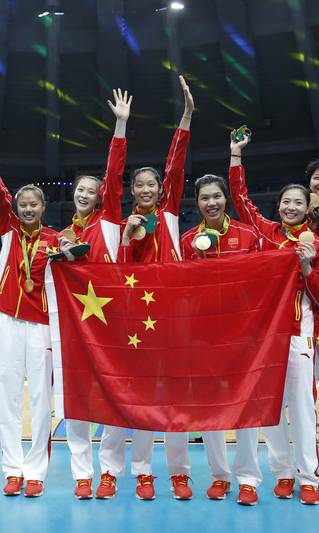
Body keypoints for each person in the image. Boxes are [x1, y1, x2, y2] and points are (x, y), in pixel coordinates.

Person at [228, 132, 319, 505]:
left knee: (302, 408)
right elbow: (240, 199)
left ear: (307, 208)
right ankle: (283, 473)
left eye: (298, 202)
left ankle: (308, 476)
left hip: (301, 333)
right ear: (279, 205)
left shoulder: (318, 245)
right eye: (286, 202)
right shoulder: (267, 234)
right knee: (269, 406)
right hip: (266, 336)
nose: (290, 207)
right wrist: (236, 156)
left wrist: (307, 266)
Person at [0, 118, 59, 498]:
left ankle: (35, 471)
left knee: (40, 399)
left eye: (34, 204)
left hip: (41, 326)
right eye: (22, 204)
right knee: (7, 397)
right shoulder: (8, 231)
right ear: (15, 208)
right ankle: (13, 470)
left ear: (43, 207)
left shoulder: (56, 240)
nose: (27, 208)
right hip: (7, 323)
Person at [118, 75, 193, 501]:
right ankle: (143, 472)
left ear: (161, 189)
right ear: (132, 190)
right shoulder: (125, 225)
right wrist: (127, 237)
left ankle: (179, 472)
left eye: (153, 184)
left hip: (173, 313)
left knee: (176, 393)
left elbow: (176, 163)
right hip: (139, 318)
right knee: (144, 394)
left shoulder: (169, 215)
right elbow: (119, 273)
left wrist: (186, 117)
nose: (146, 189)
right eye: (140, 185)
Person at [57, 89, 129, 500]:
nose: (85, 194)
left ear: (101, 196)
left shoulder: (110, 220)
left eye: (91, 190)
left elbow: (115, 172)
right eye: (80, 190)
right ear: (73, 194)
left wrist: (120, 124)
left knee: (113, 394)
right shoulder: (62, 235)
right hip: (76, 325)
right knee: (78, 397)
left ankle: (110, 472)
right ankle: (82, 473)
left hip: (111, 319)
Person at [181, 174, 262, 505]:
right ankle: (219, 475)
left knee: (245, 405)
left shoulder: (248, 235)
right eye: (204, 198)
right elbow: (181, 287)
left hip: (243, 332)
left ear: (225, 199)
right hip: (204, 335)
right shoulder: (188, 241)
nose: (211, 203)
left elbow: (262, 280)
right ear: (197, 203)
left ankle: (248, 478)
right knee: (210, 406)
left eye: (216, 196)